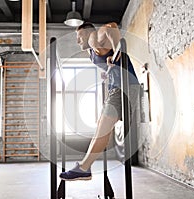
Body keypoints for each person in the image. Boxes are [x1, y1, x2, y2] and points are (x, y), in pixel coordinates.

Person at [59, 22, 139, 181]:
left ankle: (84, 168)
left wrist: (118, 50)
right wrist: (108, 71)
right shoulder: (91, 52)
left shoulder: (94, 38)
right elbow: (108, 60)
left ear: (88, 32)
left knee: (103, 129)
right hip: (116, 88)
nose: (77, 41)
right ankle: (84, 167)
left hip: (125, 86)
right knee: (101, 129)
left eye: (79, 36)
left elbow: (111, 27)